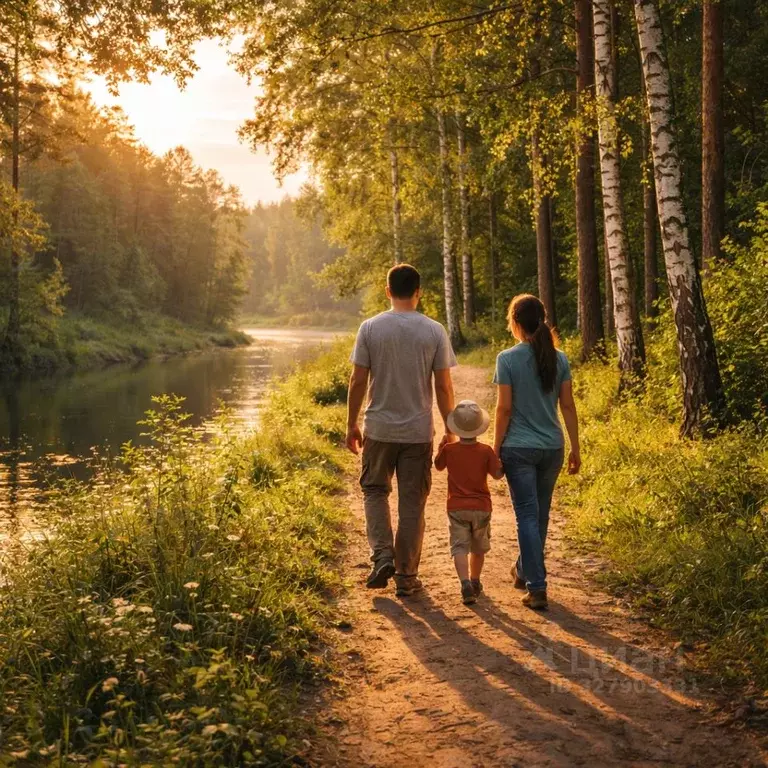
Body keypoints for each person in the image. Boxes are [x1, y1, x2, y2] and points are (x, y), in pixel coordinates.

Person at [346, 264, 457, 597]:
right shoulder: (434, 331)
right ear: (419, 292)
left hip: (378, 429)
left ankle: (382, 556)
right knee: (412, 502)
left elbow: (358, 379)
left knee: (374, 491)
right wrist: (450, 428)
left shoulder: (370, 328)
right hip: (417, 432)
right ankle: (406, 577)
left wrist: (351, 422)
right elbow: (444, 385)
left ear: (387, 290)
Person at [493, 294, 581, 611]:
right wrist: (575, 448)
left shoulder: (507, 359)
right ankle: (525, 569)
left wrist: (494, 449)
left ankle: (537, 586)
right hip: (552, 448)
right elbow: (567, 406)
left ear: (516, 324)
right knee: (539, 515)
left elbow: (503, 410)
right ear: (541, 321)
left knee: (528, 516)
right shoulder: (560, 359)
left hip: (518, 448)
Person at [434, 400, 504, 605]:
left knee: (459, 547)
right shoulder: (485, 450)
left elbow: (438, 466)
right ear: (479, 427)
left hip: (456, 507)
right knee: (478, 548)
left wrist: (441, 447)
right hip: (481, 508)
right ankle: (475, 580)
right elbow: (498, 475)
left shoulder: (449, 449)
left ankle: (464, 583)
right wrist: (502, 461)